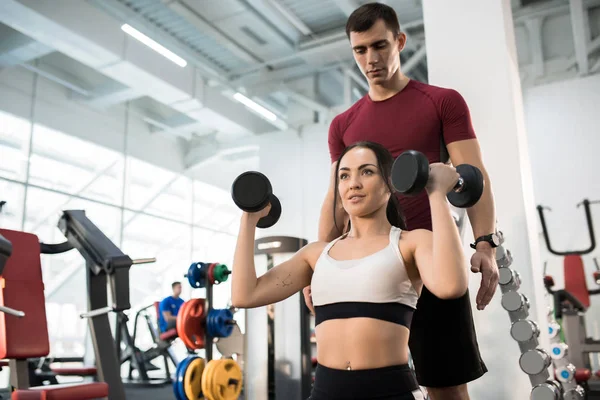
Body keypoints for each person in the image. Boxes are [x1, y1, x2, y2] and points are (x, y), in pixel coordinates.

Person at [303, 3, 500, 400]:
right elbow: (340, 200)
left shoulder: (442, 101)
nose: (371, 59)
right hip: (366, 265)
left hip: (430, 259)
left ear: (400, 41)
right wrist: (318, 267)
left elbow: (474, 177)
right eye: (360, 50)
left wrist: (485, 244)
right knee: (362, 383)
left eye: (379, 45)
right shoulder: (343, 125)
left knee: (445, 386)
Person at [232, 141, 470, 400]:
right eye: (344, 175)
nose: (353, 183)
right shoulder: (316, 254)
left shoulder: (410, 243)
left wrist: (436, 193)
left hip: (392, 393)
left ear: (390, 183)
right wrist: (250, 218)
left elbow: (451, 286)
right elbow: (245, 295)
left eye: (367, 172)